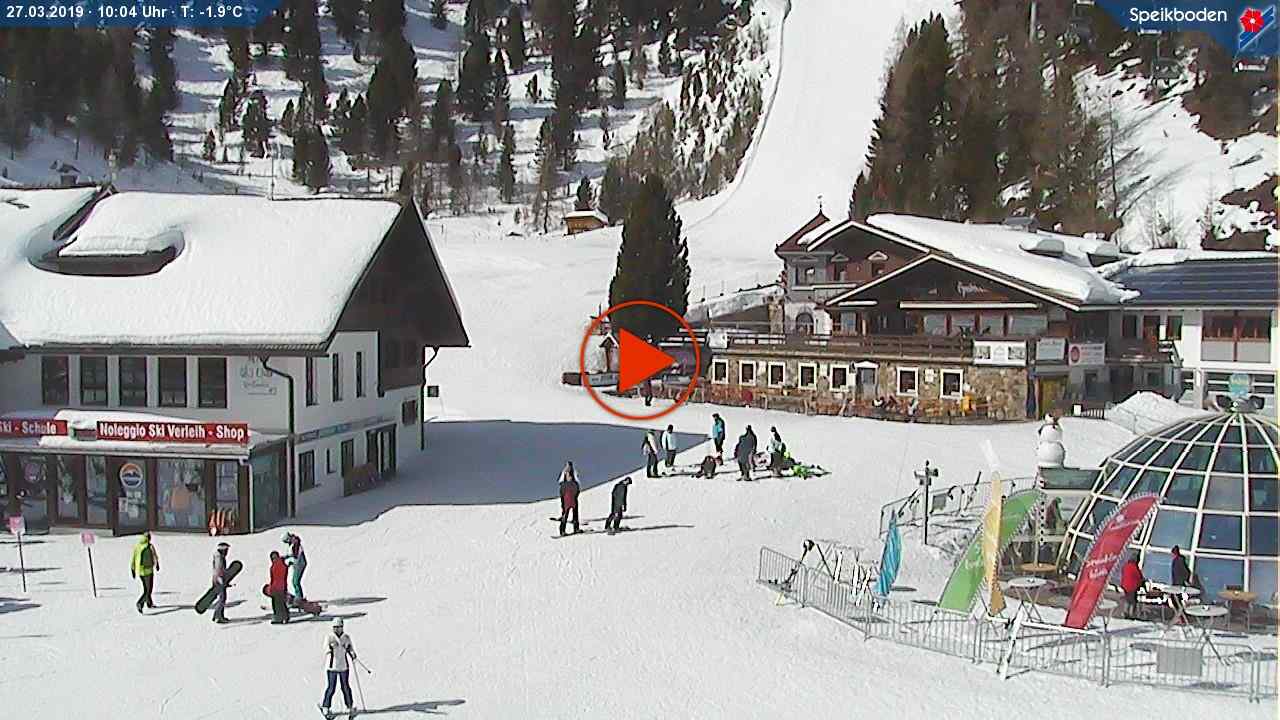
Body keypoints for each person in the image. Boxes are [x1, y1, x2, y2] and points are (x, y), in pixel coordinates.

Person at [320, 618, 358, 719]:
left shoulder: (346, 637)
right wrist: (330, 647)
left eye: (339, 627)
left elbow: (350, 648)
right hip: (332, 667)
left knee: (345, 687)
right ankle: (326, 706)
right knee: (331, 688)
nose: (337, 629)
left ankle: (349, 706)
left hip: (343, 666)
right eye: (335, 627)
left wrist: (352, 653)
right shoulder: (330, 637)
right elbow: (325, 648)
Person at [130, 531, 159, 614]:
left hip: (140, 571)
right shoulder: (150, 546)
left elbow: (133, 558)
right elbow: (154, 556)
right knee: (148, 590)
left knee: (146, 588)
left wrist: (133, 569)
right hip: (148, 571)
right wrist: (157, 564)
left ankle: (149, 603)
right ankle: (140, 603)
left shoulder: (137, 546)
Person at [282, 531, 307, 606]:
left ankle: (299, 597)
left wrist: (290, 561)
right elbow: (293, 554)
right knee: (295, 581)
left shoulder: (296, 544)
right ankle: (299, 596)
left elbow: (296, 555)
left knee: (295, 581)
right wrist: (286, 557)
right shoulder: (294, 543)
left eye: (286, 541)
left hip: (299, 564)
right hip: (298, 563)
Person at [211, 541, 232, 624]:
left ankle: (217, 615)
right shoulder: (219, 558)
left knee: (222, 598)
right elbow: (218, 569)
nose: (227, 552)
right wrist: (221, 580)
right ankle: (218, 617)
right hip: (219, 580)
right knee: (222, 598)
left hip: (218, 579)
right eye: (226, 550)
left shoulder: (219, 557)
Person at [558, 461, 581, 536]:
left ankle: (575, 528)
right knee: (566, 514)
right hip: (567, 501)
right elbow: (562, 493)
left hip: (573, 500)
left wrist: (575, 497)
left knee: (575, 514)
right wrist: (563, 502)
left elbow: (577, 490)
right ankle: (562, 530)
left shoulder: (574, 482)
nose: (569, 477)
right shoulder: (564, 483)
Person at [1120, 555, 1146, 619]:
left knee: (1127, 599)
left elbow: (1123, 574)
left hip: (1125, 585)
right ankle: (1131, 614)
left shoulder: (1126, 566)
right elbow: (1139, 576)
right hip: (1132, 586)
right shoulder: (1134, 567)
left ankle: (1125, 612)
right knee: (1132, 601)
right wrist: (1141, 583)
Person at [267, 551, 290, 624]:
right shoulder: (281, 564)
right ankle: (285, 616)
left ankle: (279, 617)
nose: (273, 559)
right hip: (282, 586)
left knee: (277, 604)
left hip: (276, 587)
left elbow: (275, 578)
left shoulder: (276, 565)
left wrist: (271, 588)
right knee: (282, 603)